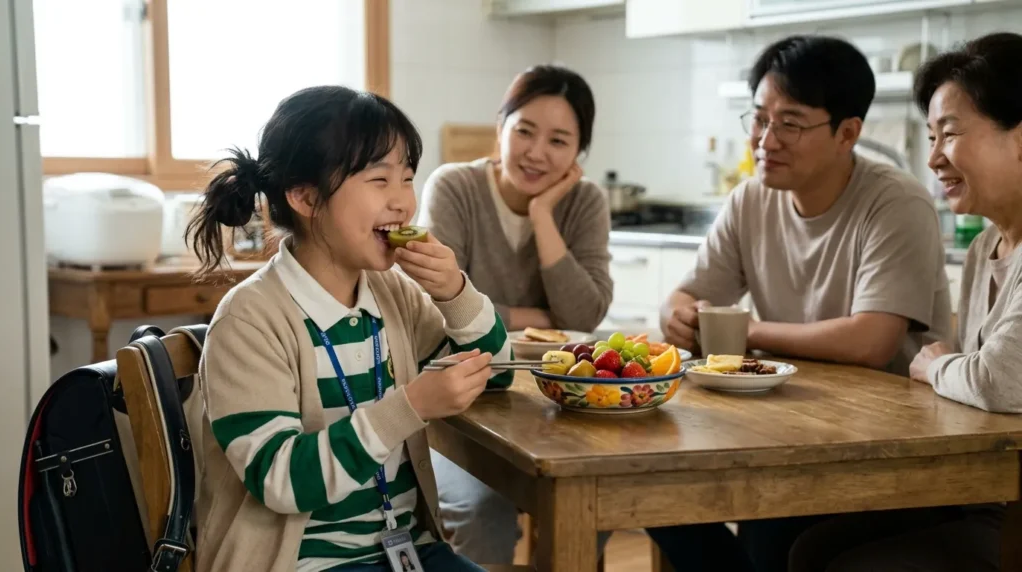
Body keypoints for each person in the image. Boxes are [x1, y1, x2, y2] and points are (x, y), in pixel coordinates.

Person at [651, 35, 952, 572]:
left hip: (885, 441)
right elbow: (689, 294)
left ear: (847, 133)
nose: (766, 140)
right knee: (655, 489)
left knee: (775, 531)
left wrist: (745, 332)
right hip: (782, 422)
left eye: (790, 123)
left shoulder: (896, 201)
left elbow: (872, 340)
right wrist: (677, 314)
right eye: (759, 119)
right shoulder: (750, 199)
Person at [186, 85, 514, 572]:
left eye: (407, 178)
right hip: (301, 563)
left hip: (408, 551)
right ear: (305, 196)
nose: (403, 202)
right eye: (380, 180)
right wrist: (411, 406)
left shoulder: (394, 293)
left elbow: (498, 375)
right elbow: (283, 481)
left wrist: (455, 293)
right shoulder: (250, 319)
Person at [788, 31, 1022, 572]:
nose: (934, 158)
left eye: (950, 134)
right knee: (807, 548)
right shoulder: (986, 246)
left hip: (1011, 511)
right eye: (931, 137)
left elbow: (997, 381)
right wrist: (954, 368)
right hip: (978, 490)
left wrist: (938, 365)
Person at [417, 64, 613, 565]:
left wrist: (543, 214)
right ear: (500, 126)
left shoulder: (584, 202)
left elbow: (585, 315)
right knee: (480, 510)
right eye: (525, 130)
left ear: (578, 153)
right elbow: (436, 306)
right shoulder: (455, 187)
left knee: (597, 499)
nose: (536, 152)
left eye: (559, 141)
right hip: (462, 400)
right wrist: (542, 316)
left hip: (559, 400)